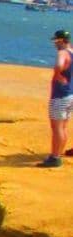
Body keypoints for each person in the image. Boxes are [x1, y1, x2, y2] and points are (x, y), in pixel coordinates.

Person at [40, 29, 73, 168]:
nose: (54, 44)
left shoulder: (63, 53)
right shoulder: (72, 51)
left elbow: (59, 64)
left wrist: (58, 75)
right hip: (70, 94)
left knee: (57, 127)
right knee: (63, 126)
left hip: (60, 95)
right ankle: (58, 153)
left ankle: (55, 157)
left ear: (61, 41)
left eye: (56, 41)